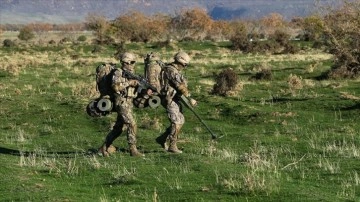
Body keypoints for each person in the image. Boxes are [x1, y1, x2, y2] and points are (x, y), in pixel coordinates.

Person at [99, 52, 145, 157]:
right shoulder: (118, 72)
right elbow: (115, 87)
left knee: (118, 128)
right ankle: (133, 149)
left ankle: (104, 147)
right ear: (126, 62)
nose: (133, 64)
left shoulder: (132, 74)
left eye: (134, 62)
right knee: (132, 124)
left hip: (129, 103)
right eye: (132, 62)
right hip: (121, 102)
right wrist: (129, 83)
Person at [155, 51, 197, 153]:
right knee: (176, 121)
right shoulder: (171, 70)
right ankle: (172, 146)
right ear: (180, 62)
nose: (185, 67)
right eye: (185, 64)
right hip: (169, 99)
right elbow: (180, 86)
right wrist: (190, 98)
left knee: (181, 120)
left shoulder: (172, 69)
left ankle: (162, 138)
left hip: (174, 98)